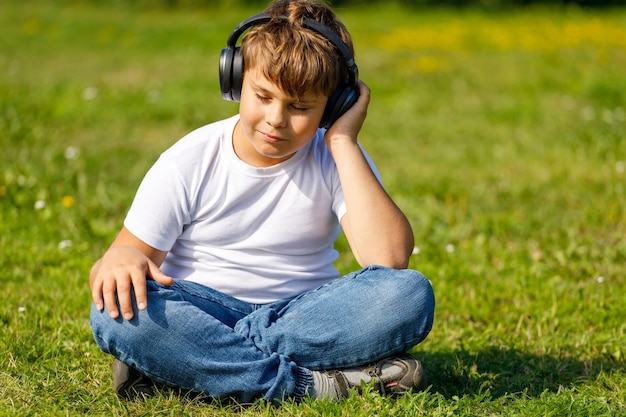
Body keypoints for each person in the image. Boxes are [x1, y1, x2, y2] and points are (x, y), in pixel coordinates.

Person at [89, 0, 435, 404]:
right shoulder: (189, 159)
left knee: (409, 294)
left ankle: (190, 364)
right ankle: (312, 384)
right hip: (203, 308)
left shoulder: (336, 155)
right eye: (263, 96)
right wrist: (119, 259)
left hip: (305, 316)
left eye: (301, 107)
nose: (276, 119)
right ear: (235, 79)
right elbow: (121, 261)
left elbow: (390, 259)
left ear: (334, 106)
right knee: (117, 313)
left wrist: (343, 141)